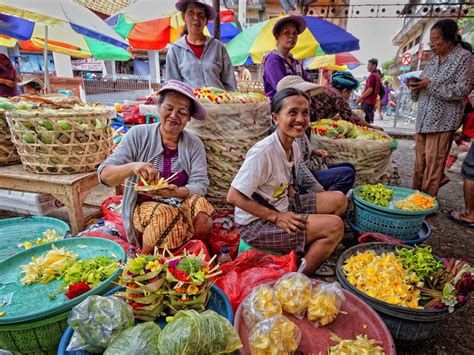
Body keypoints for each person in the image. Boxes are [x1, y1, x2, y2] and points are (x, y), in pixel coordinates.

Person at [227, 88, 347, 276]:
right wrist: (277, 218)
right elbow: (233, 196)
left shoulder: (294, 145)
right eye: (292, 112)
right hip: (255, 223)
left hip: (280, 204)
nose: (300, 119)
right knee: (335, 226)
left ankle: (303, 251)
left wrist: (299, 206)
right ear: (275, 118)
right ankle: (298, 278)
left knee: (339, 199)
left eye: (305, 113)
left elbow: (287, 182)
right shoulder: (263, 152)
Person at [98, 80, 215, 253]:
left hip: (179, 201)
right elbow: (104, 175)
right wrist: (133, 167)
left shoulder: (194, 144)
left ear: (189, 118)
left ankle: (192, 256)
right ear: (158, 108)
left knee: (203, 214)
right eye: (169, 108)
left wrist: (176, 192)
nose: (174, 115)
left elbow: (200, 184)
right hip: (143, 206)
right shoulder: (138, 135)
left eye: (182, 112)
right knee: (165, 215)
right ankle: (145, 262)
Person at [408, 19, 473, 197]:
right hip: (423, 119)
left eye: (435, 40)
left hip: (442, 121)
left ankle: (426, 203)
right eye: (431, 40)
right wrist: (415, 86)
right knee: (420, 163)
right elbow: (424, 81)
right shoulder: (434, 60)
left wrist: (430, 84)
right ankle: (414, 198)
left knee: (433, 165)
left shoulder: (464, 58)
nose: (432, 44)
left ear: (449, 39)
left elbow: (462, 90)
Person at [276, 74, 357, 194]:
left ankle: (328, 200)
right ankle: (323, 201)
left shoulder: (300, 125)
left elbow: (299, 153)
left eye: (307, 96)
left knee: (349, 168)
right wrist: (321, 192)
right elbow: (299, 171)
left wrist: (313, 151)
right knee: (347, 174)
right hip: (297, 182)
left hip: (304, 172)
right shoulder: (287, 132)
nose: (308, 100)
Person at [166, 0, 236, 91]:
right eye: (191, 12)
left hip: (218, 104)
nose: (196, 18)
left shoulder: (218, 47)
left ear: (206, 21)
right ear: (184, 17)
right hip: (191, 104)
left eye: (201, 14)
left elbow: (231, 84)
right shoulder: (175, 50)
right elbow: (173, 88)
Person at [262, 15, 310, 99]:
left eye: (294, 33)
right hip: (281, 108)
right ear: (277, 37)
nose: (292, 36)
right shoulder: (273, 60)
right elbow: (282, 89)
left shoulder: (295, 63)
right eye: (287, 32)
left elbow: (306, 83)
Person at [355, 58, 381, 124]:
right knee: (368, 120)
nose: (367, 67)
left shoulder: (372, 75)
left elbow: (370, 89)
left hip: (367, 102)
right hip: (371, 102)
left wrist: (360, 99)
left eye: (369, 65)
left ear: (374, 66)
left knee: (364, 121)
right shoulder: (377, 75)